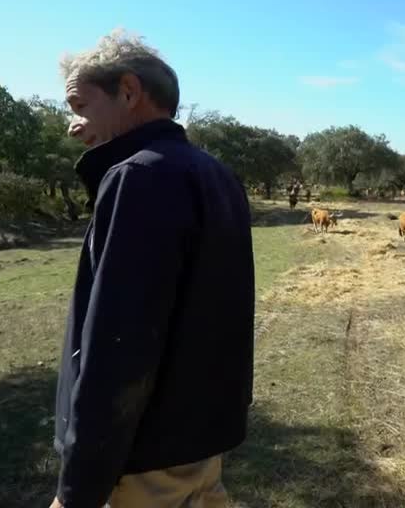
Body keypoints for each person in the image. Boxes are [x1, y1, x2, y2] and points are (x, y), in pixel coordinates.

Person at [51, 30, 255, 508]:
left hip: (143, 460)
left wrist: (77, 491)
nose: (74, 125)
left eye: (80, 106)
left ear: (128, 91)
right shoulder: (214, 173)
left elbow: (119, 350)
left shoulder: (137, 178)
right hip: (198, 446)